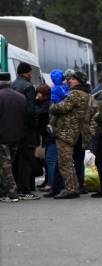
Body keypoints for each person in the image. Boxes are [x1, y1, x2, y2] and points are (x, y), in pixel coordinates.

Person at [49, 71, 90, 199]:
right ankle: (74, 187)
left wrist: (53, 106)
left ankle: (71, 189)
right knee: (68, 162)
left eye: (72, 79)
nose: (68, 81)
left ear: (78, 80)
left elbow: (63, 107)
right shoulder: (84, 94)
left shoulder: (75, 94)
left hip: (66, 132)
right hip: (73, 131)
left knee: (65, 162)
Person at [11, 62, 41, 200]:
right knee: (27, 161)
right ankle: (25, 190)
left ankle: (16, 187)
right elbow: (30, 109)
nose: (31, 75)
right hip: (27, 130)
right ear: (26, 72)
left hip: (15, 129)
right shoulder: (29, 87)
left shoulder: (13, 85)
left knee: (16, 160)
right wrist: (35, 126)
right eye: (30, 72)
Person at [0, 73, 26, 202]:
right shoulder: (21, 97)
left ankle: (11, 193)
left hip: (2, 137)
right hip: (17, 136)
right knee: (11, 164)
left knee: (6, 166)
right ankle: (5, 191)